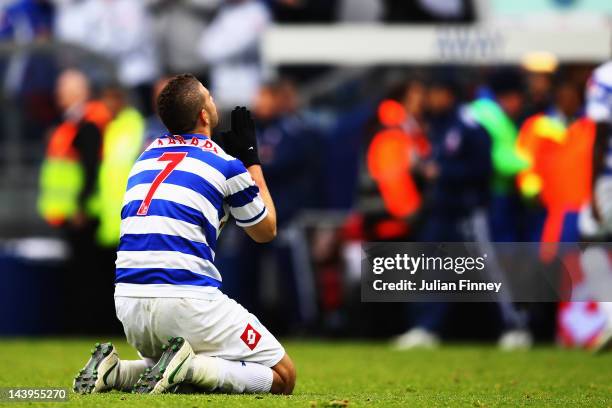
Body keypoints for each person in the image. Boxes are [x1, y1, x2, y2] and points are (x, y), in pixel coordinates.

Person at [72, 74, 296, 395]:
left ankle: (115, 372)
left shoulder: (144, 157)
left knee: (172, 363)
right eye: (209, 96)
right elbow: (266, 231)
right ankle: (189, 365)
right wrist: (252, 160)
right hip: (186, 300)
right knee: (283, 376)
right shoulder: (226, 164)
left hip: (128, 303)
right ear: (204, 115)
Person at [38, 69, 112, 333]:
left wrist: (81, 206)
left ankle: (88, 328)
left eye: (64, 88)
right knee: (84, 277)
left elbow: (90, 169)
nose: (58, 94)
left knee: (88, 278)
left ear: (78, 92)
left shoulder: (88, 123)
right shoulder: (74, 123)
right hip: (75, 213)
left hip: (85, 215)